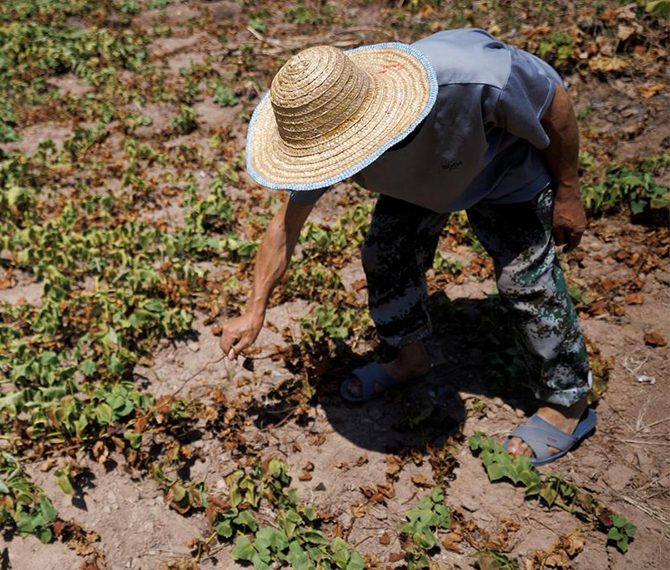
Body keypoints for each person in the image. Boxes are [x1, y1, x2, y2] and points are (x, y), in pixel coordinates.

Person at [219, 28, 595, 465]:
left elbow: (556, 105)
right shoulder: (320, 126)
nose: (334, 165)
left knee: (526, 281)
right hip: (419, 184)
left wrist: (569, 192)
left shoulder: (474, 80)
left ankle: (569, 403)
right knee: (386, 253)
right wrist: (254, 308)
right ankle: (408, 358)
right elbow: (285, 227)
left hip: (502, 166)